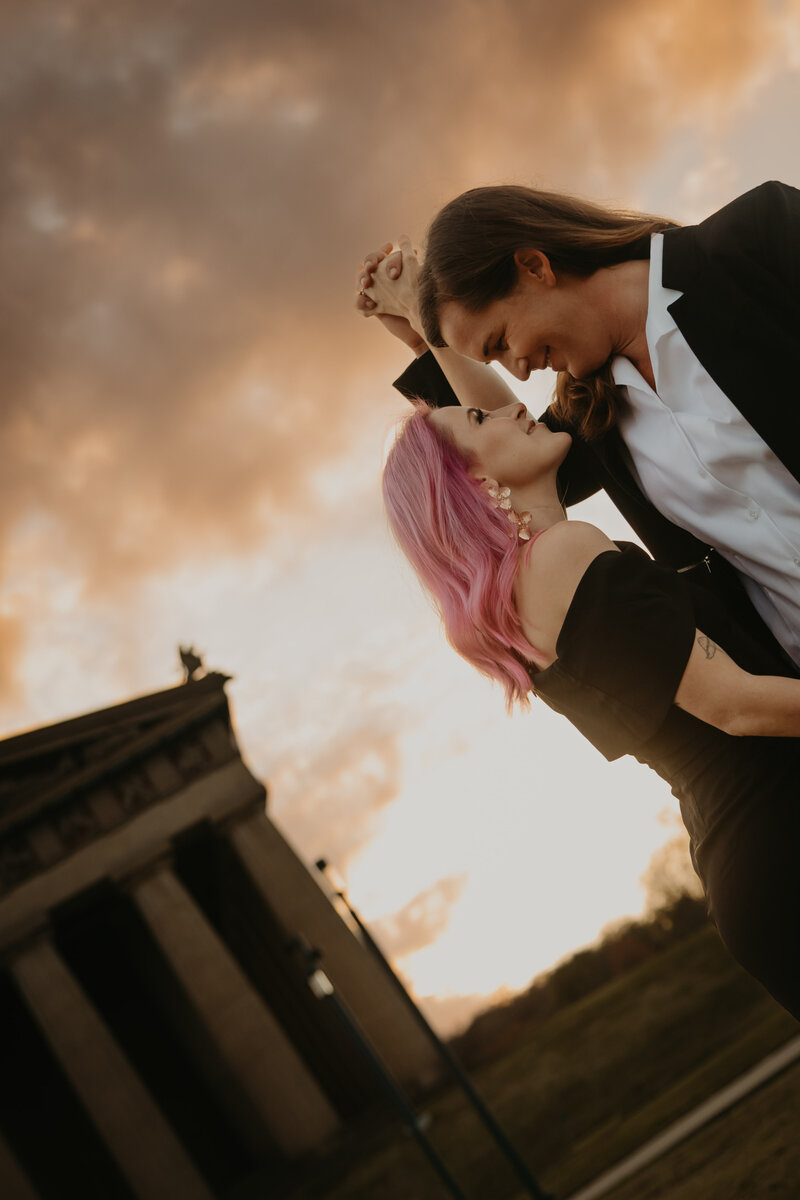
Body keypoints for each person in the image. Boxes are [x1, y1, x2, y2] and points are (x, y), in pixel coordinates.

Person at [381, 379, 800, 1021]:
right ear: (472, 484)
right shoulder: (561, 559)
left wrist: (418, 319)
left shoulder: (521, 608)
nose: (513, 405)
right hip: (779, 828)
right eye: (477, 416)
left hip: (746, 860)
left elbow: (512, 425)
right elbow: (736, 707)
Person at [357, 181, 800, 673]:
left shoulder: (761, 237)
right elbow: (506, 456)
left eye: (501, 341)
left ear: (534, 267)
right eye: (493, 359)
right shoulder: (596, 420)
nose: (518, 372)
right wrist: (425, 336)